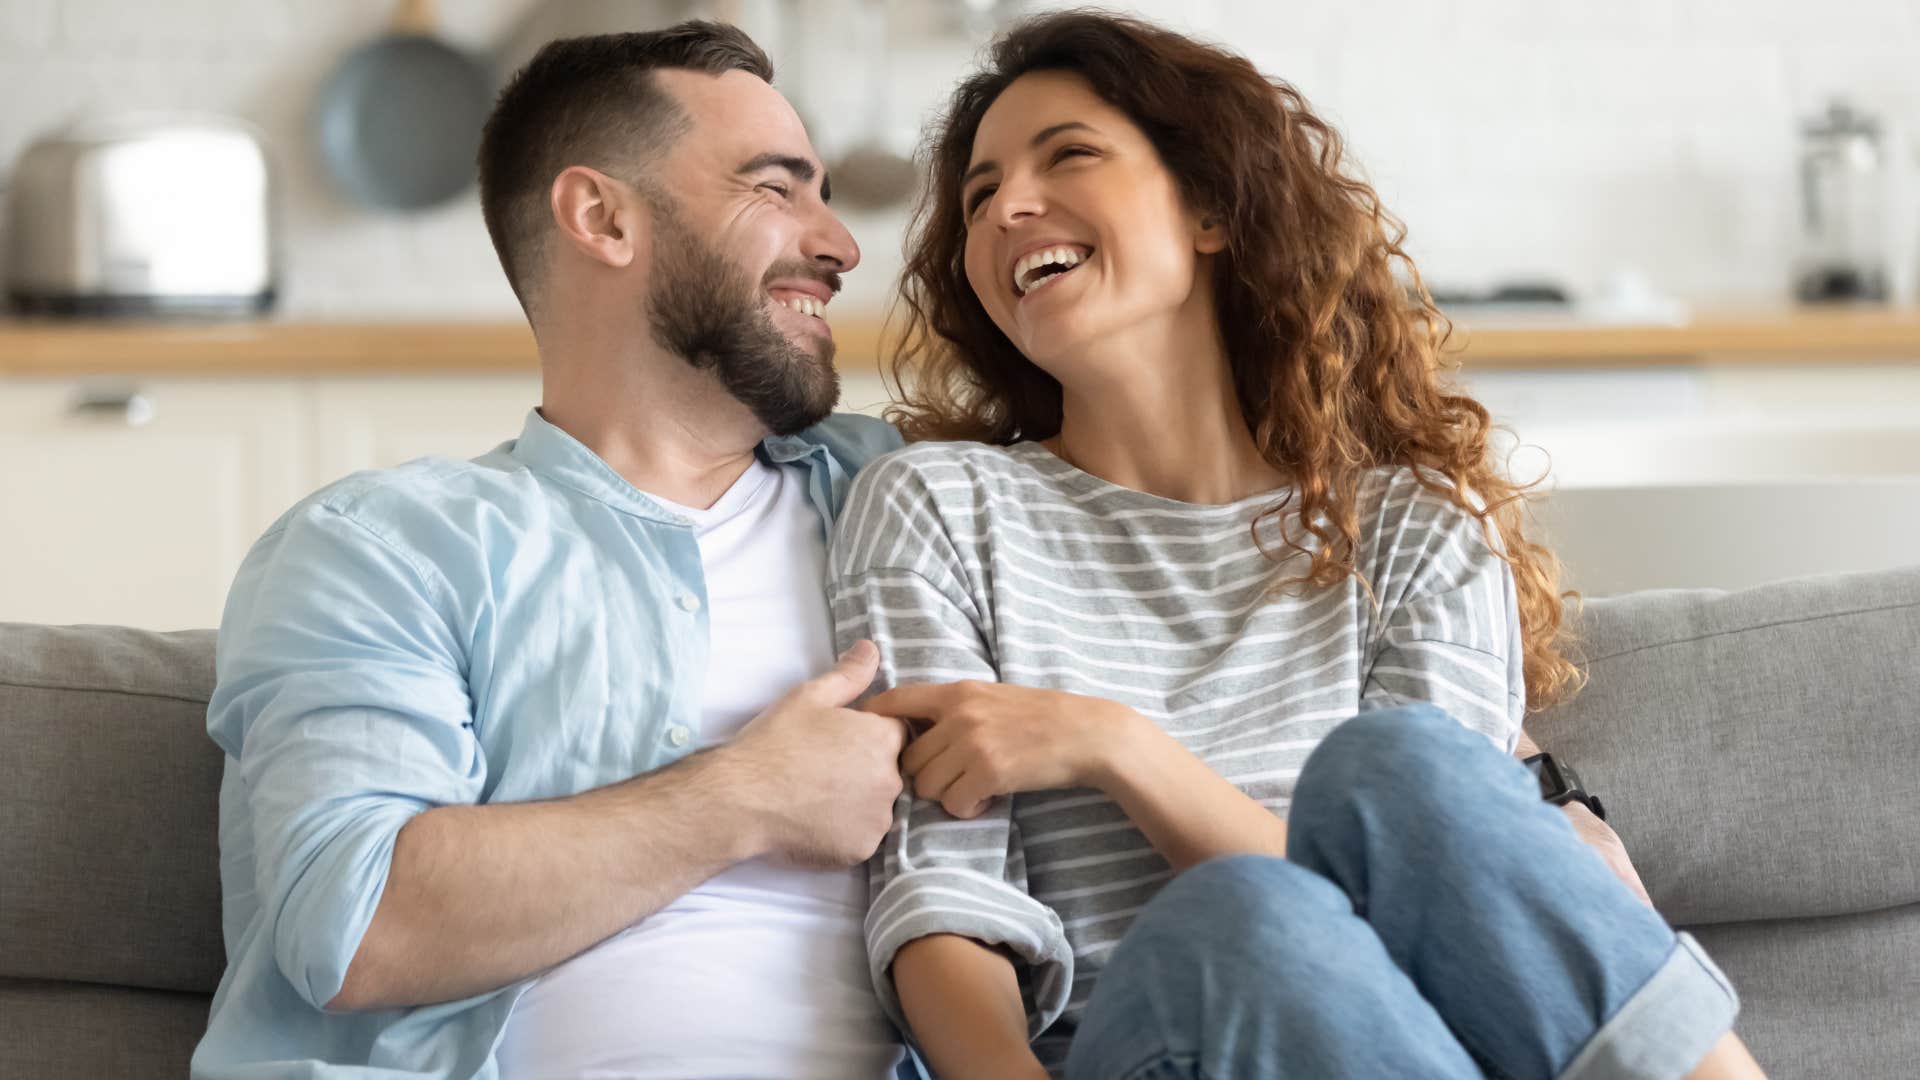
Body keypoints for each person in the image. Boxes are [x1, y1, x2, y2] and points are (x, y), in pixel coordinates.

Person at [825, 12, 1768, 1079]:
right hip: (1147, 1041)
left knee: (1402, 770)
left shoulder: (1416, 524)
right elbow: (942, 898)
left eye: (1067, 155)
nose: (1007, 210)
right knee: (1239, 918)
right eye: (978, 196)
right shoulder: (939, 507)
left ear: (1213, 209)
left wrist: (1117, 748)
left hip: (1413, 1041)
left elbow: (1448, 908)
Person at [192, 23, 916, 1079]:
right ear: (602, 216)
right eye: (777, 189)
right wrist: (746, 798)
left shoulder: (904, 499)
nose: (842, 245)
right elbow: (355, 926)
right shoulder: (386, 548)